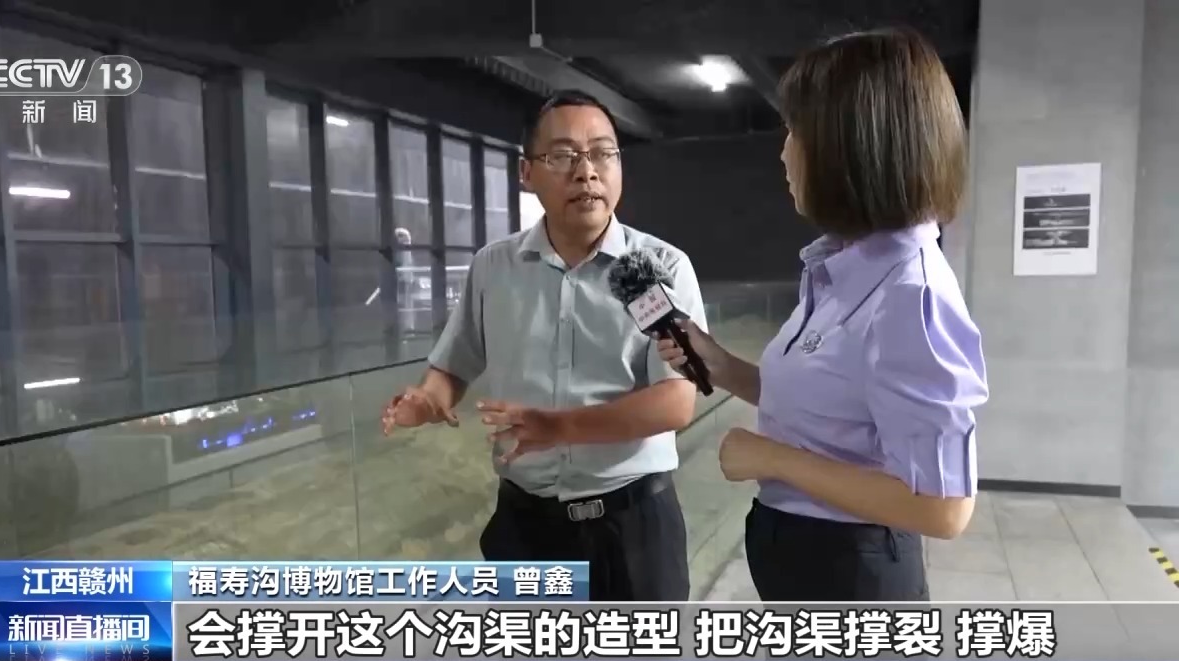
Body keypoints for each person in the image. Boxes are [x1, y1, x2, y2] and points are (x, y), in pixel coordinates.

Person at [656, 28, 988, 601]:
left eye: (797, 131)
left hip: (853, 573)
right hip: (809, 561)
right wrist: (721, 365)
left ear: (853, 147)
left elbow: (943, 507)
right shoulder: (842, 269)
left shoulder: (910, 295)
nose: (784, 151)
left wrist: (773, 458)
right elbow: (830, 413)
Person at [382, 89, 707, 601]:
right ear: (526, 173)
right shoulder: (494, 267)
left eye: (602, 153)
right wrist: (428, 398)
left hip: (632, 529)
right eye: (562, 156)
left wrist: (559, 427)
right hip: (525, 529)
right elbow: (454, 363)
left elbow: (676, 401)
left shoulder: (659, 268)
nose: (586, 172)